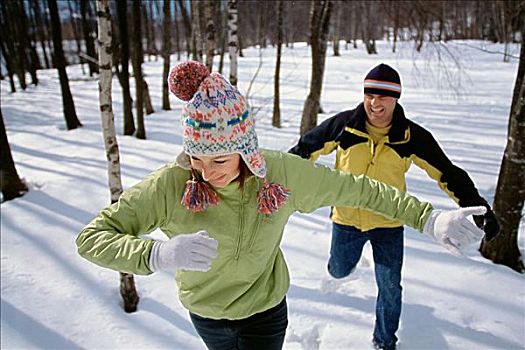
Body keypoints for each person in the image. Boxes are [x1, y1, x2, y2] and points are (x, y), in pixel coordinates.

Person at [76, 61, 487, 350]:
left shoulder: (279, 176)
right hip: (206, 315)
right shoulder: (173, 184)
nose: (206, 171)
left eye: (219, 159)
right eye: (196, 158)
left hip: (266, 312)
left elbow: (360, 189)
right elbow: (91, 238)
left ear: (244, 149)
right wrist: (155, 252)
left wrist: (428, 217)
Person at [289, 63, 500, 350]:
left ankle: (384, 342)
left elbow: (447, 173)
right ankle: (343, 268)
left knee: (390, 288)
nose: (375, 103)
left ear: (396, 98)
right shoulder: (343, 126)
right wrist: (278, 181)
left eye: (383, 96)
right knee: (338, 270)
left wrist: (480, 207)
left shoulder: (410, 136)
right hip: (346, 219)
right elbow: (304, 150)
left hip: (389, 223)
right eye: (370, 95)